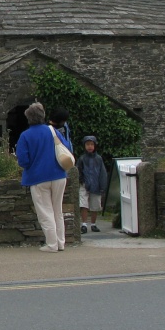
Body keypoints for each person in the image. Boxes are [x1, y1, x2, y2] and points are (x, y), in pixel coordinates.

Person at [16, 102, 72, 252]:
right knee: (57, 210)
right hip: (59, 175)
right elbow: (66, 147)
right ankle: (61, 243)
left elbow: (23, 160)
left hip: (38, 177)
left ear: (28, 118)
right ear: (43, 116)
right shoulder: (52, 131)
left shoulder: (25, 136)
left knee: (45, 212)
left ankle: (52, 244)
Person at [77, 135, 108, 233]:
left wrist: (102, 185)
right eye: (87, 144)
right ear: (84, 146)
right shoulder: (82, 159)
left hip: (96, 185)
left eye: (91, 144)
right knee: (84, 204)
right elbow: (78, 170)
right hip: (84, 184)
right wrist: (81, 180)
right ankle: (84, 224)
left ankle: (93, 224)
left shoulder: (99, 159)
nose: (89, 146)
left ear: (95, 146)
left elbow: (102, 172)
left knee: (95, 205)